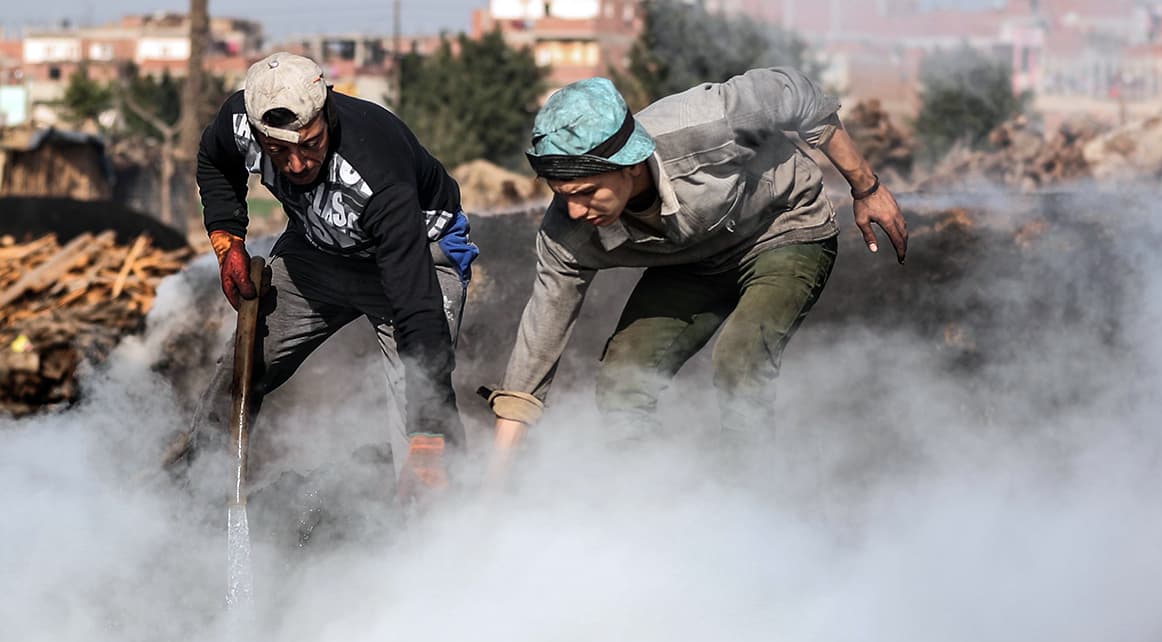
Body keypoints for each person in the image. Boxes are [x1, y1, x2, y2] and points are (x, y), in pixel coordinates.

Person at [481, 67, 907, 467]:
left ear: (629, 164)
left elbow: (796, 90)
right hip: (695, 260)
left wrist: (866, 186)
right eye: (563, 193)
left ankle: (752, 508)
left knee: (740, 360)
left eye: (588, 191)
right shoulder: (566, 233)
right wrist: (492, 490)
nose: (574, 209)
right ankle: (655, 507)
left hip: (782, 228)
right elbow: (535, 355)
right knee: (622, 384)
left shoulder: (706, 124)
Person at [196, 52, 477, 499]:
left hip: (417, 258)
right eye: (278, 151)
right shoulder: (237, 120)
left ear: (326, 110)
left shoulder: (378, 169)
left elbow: (416, 305)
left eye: (310, 144)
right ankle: (195, 493)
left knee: (424, 429)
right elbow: (214, 161)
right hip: (318, 251)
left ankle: (441, 532)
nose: (297, 165)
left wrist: (427, 435)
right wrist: (227, 238)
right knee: (242, 368)